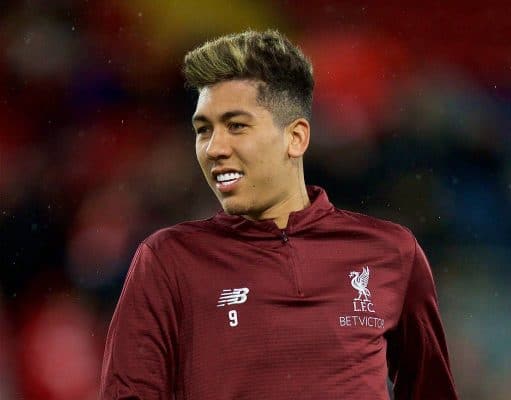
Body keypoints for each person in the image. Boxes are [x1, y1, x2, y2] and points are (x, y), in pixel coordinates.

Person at [100, 30, 457, 399]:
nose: (214, 148)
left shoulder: (391, 251)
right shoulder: (168, 261)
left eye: (236, 126)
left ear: (296, 138)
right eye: (203, 130)